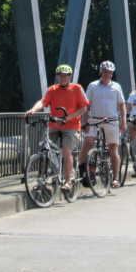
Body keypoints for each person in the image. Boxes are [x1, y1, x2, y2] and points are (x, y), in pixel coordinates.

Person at [25, 64, 89, 192]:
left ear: (69, 77)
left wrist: (68, 118)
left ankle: (68, 181)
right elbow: (43, 102)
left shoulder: (77, 88)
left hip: (71, 125)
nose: (62, 78)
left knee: (66, 150)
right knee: (46, 151)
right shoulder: (53, 89)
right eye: (60, 76)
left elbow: (84, 108)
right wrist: (33, 110)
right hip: (54, 124)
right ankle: (42, 179)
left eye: (65, 76)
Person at [78, 61, 127, 189]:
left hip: (111, 120)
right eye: (105, 72)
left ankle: (116, 178)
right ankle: (82, 170)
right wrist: (85, 122)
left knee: (112, 148)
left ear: (112, 74)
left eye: (109, 73)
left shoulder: (116, 87)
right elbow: (86, 105)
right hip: (94, 119)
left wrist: (124, 122)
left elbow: (121, 105)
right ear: (100, 72)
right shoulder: (93, 86)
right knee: (88, 142)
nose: (107, 75)